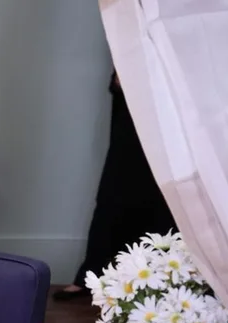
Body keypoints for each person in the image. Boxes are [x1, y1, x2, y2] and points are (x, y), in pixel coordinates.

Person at [54, 71, 177, 300]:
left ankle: (159, 277)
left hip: (173, 83)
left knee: (164, 185)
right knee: (116, 187)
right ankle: (93, 274)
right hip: (135, 78)